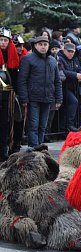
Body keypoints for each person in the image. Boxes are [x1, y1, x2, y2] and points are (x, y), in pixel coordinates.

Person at [18, 36, 62, 147]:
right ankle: (34, 148)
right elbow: (22, 80)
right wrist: (24, 98)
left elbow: (57, 81)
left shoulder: (52, 60)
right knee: (33, 125)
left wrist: (59, 98)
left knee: (43, 125)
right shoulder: (28, 59)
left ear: (48, 46)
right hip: (33, 98)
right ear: (35, 46)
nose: (43, 47)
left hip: (47, 98)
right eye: (40, 44)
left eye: (45, 44)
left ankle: (40, 148)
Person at [0, 27, 20, 161]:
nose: (2, 43)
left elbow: (16, 78)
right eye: (0, 40)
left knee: (8, 123)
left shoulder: (13, 57)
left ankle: (5, 150)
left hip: (9, 96)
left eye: (4, 40)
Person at [58, 42, 81, 131]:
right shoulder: (60, 58)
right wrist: (75, 75)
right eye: (69, 51)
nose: (71, 53)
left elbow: (80, 69)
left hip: (72, 87)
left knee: (67, 107)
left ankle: (65, 127)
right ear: (64, 50)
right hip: (63, 87)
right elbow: (62, 71)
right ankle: (69, 125)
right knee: (73, 102)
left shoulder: (74, 59)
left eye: (73, 52)